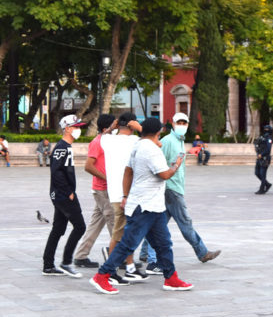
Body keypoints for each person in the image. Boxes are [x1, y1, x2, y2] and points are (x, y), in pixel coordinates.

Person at [90, 117, 193, 295]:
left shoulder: (138, 145)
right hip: (145, 207)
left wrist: (125, 195)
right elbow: (164, 175)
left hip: (152, 206)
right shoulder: (150, 150)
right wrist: (176, 165)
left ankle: (171, 277)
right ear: (158, 131)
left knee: (163, 244)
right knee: (128, 244)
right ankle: (102, 276)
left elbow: (127, 172)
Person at [161, 113, 221, 262]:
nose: (182, 125)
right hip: (171, 187)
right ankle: (202, 252)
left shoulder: (180, 141)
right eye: (179, 122)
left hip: (175, 186)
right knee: (185, 222)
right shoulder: (168, 141)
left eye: (184, 123)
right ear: (173, 124)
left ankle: (145, 253)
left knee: (158, 223)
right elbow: (158, 163)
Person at [100, 112, 144, 284]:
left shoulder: (108, 140)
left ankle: (130, 267)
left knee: (126, 233)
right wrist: (140, 128)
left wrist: (113, 127)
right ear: (132, 124)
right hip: (126, 195)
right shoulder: (135, 142)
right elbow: (156, 142)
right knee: (119, 234)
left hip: (115, 194)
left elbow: (104, 134)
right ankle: (109, 270)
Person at [42, 114, 87, 277]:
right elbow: (56, 172)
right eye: (76, 127)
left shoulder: (65, 147)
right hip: (63, 195)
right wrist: (68, 192)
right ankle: (66, 262)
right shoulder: (62, 148)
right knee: (80, 227)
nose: (78, 130)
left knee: (58, 228)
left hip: (61, 194)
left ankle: (48, 265)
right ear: (67, 129)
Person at [73, 114, 116, 269]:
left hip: (104, 189)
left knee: (95, 224)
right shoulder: (97, 143)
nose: (115, 129)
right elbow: (88, 166)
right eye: (113, 126)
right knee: (114, 222)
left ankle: (80, 256)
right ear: (105, 128)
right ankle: (120, 257)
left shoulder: (108, 143)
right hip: (102, 189)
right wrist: (107, 178)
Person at [254, 124, 273, 194]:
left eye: (267, 129)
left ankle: (262, 189)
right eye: (265, 129)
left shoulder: (269, 138)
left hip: (265, 158)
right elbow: (257, 145)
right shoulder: (262, 137)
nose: (265, 131)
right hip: (259, 157)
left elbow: (268, 149)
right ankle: (267, 184)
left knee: (262, 174)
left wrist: (261, 155)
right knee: (257, 173)